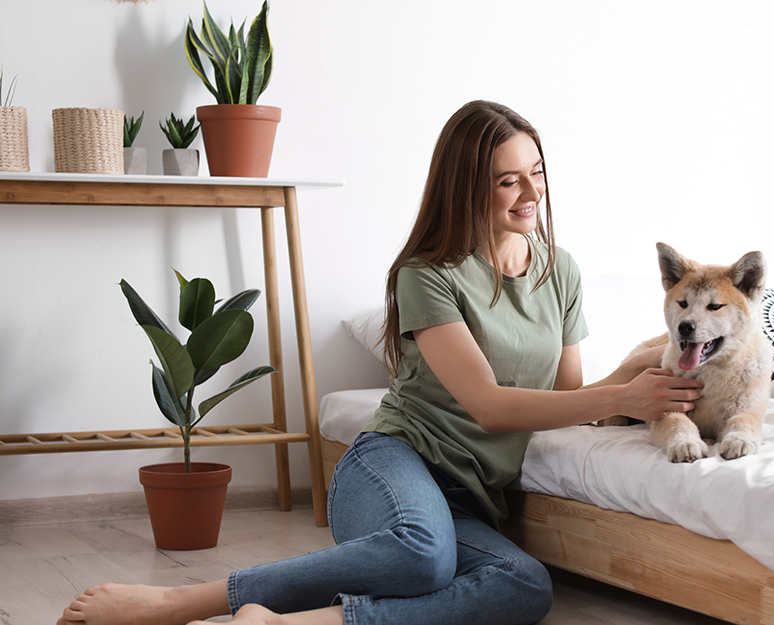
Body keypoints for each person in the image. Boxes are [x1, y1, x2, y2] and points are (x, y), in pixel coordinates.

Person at [56, 100, 702, 625]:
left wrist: (642, 367)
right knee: (423, 557)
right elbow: (488, 402)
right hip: (394, 462)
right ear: (467, 186)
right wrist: (621, 398)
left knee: (523, 585)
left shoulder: (560, 270)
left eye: (536, 170)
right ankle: (177, 601)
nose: (531, 191)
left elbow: (563, 396)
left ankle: (287, 624)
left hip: (470, 496)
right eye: (508, 179)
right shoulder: (428, 275)